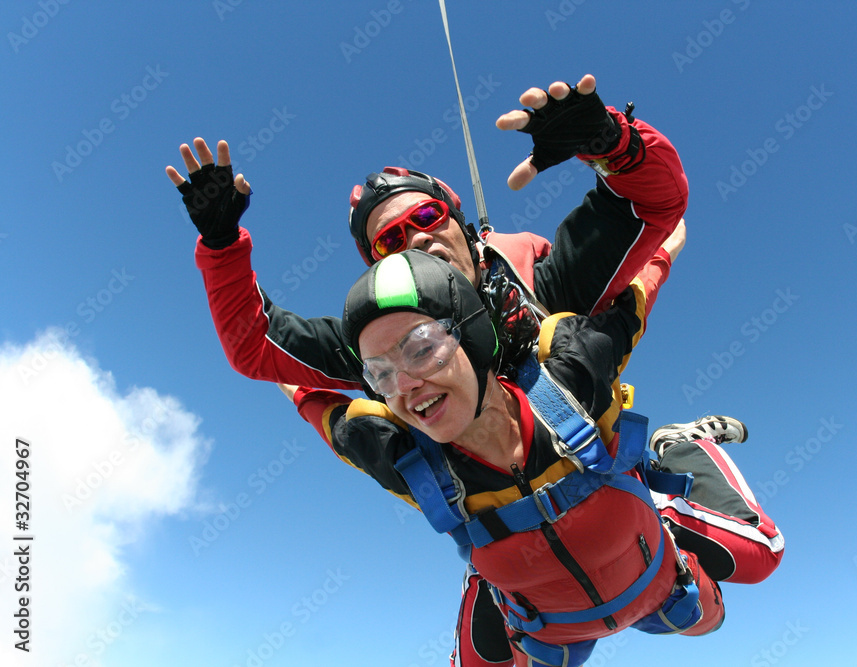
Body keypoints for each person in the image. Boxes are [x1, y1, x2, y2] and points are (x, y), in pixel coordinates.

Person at [283, 250, 782, 666]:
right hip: (548, 631)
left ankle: (679, 449)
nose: (405, 384)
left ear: (471, 336)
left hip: (656, 580)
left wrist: (658, 225)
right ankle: (489, 572)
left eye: (421, 348)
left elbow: (638, 286)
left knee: (750, 569)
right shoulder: (404, 456)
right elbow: (296, 385)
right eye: (380, 373)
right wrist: (220, 250)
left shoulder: (570, 377)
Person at [165, 75, 688, 391]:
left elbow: (654, 203)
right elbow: (254, 347)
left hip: (595, 474)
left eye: (424, 219)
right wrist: (221, 246)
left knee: (651, 270)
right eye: (389, 242)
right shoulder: (377, 345)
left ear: (461, 225)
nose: (414, 239)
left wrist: (612, 143)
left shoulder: (543, 288)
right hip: (509, 539)